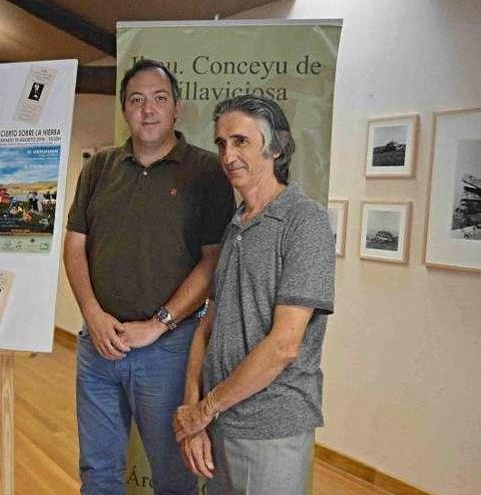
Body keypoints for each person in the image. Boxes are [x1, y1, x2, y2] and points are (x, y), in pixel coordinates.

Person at [64, 58, 235, 495]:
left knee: (173, 477)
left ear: (176, 108)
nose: (148, 110)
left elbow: (212, 261)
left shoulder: (207, 173)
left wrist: (157, 324)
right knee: (97, 473)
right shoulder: (99, 168)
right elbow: (75, 246)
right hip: (99, 345)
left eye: (159, 99)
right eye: (137, 100)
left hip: (170, 350)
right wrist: (93, 315)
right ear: (124, 109)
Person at [173, 95, 335, 495]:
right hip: (220, 421)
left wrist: (204, 409)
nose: (228, 155)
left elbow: (283, 345)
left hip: (271, 427)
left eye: (241, 141)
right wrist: (194, 413)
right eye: (222, 143)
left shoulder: (304, 221)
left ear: (276, 147)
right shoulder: (235, 225)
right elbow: (207, 327)